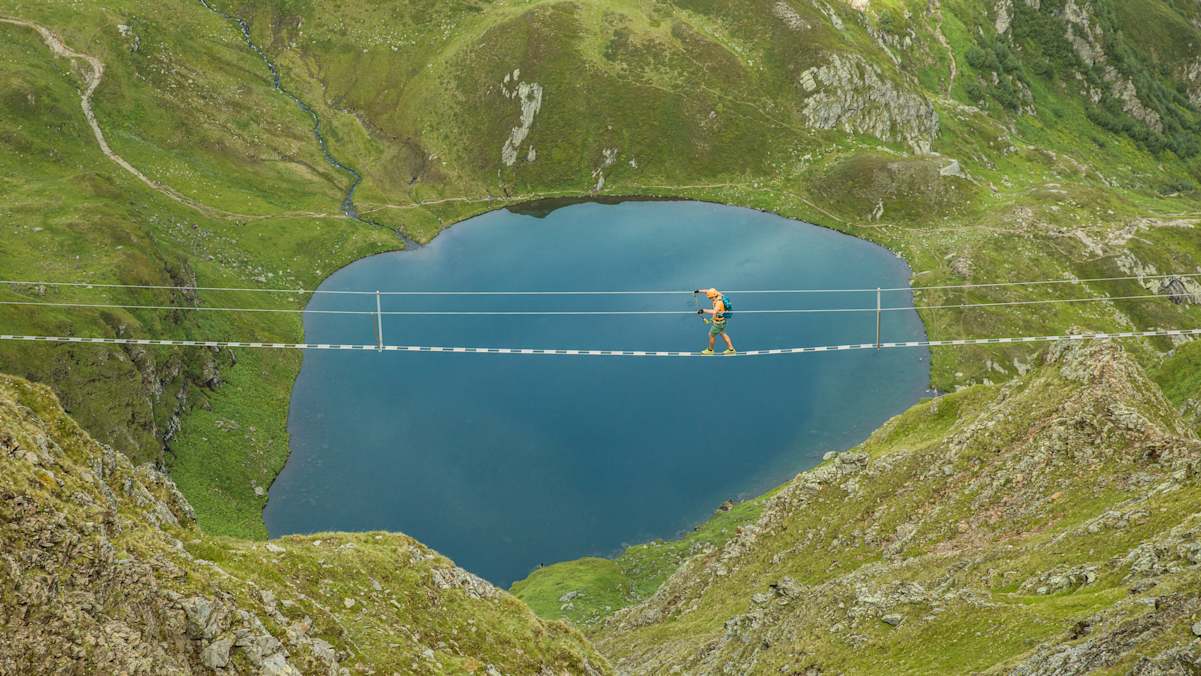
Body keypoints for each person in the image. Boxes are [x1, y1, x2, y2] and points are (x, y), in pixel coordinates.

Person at [695, 288, 736, 355]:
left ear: (714, 296)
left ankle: (710, 350)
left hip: (718, 323)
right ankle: (731, 349)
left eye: (710, 298)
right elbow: (707, 291)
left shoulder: (718, 303)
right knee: (723, 333)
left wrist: (703, 310)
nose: (710, 299)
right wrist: (699, 291)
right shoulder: (718, 294)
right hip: (722, 321)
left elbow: (714, 311)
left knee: (711, 335)